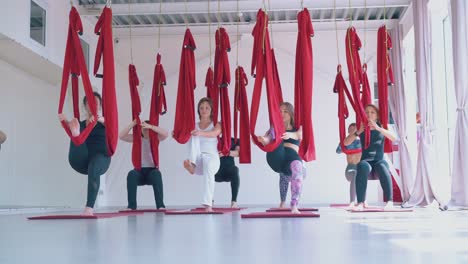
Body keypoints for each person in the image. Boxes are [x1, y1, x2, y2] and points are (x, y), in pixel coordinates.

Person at [59, 92, 111, 216]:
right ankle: (76, 134)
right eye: (89, 103)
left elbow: (111, 126)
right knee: (76, 133)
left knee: (94, 164)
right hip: (82, 160)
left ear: (100, 105)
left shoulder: (105, 122)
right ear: (85, 106)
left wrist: (99, 118)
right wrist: (66, 123)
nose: (92, 105)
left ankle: (89, 208)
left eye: (96, 102)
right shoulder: (81, 124)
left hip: (101, 158)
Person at [343, 104, 396, 210]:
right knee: (362, 166)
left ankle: (390, 202)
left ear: (377, 115)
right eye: (366, 112)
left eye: (372, 112)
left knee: (382, 166)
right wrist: (358, 132)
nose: (369, 114)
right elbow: (345, 143)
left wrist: (378, 128)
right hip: (366, 161)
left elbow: (393, 138)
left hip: (379, 160)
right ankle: (360, 203)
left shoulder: (382, 126)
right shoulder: (361, 127)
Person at [258, 102, 305, 214]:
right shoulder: (274, 128)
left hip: (291, 157)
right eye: (280, 112)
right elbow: (269, 137)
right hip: (277, 157)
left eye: (285, 112)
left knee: (295, 169)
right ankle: (283, 201)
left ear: (291, 114)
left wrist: (290, 135)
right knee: (275, 133)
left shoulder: (298, 128)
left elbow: (299, 135)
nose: (282, 114)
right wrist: (262, 140)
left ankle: (293, 204)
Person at [182, 97, 222, 212]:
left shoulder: (216, 124)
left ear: (211, 110)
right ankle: (192, 164)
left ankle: (208, 204)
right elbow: (184, 136)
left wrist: (200, 133)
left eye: (207, 108)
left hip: (212, 159)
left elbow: (215, 133)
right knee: (193, 134)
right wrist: (177, 134)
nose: (204, 110)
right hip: (198, 160)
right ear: (198, 110)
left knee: (209, 166)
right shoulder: (194, 125)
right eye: (201, 108)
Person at [119, 119, 168, 210]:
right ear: (140, 129)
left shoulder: (155, 138)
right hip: (139, 171)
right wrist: (132, 124)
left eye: (147, 128)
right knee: (131, 174)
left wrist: (151, 126)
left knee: (157, 174)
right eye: (143, 128)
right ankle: (131, 206)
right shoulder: (137, 138)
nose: (145, 130)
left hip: (152, 171)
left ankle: (160, 205)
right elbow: (121, 136)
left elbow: (166, 134)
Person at [336, 123, 362, 207]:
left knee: (359, 177)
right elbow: (338, 151)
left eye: (354, 130)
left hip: (360, 168)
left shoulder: (361, 142)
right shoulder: (345, 143)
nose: (352, 131)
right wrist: (342, 144)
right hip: (350, 168)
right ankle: (352, 201)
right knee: (355, 175)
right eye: (350, 130)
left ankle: (362, 200)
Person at [215, 138, 241, 208]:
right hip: (216, 171)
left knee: (235, 170)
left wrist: (227, 152)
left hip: (229, 171)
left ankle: (234, 202)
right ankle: (209, 201)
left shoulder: (235, 140)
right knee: (208, 170)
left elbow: (238, 153)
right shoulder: (213, 139)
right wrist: (217, 154)